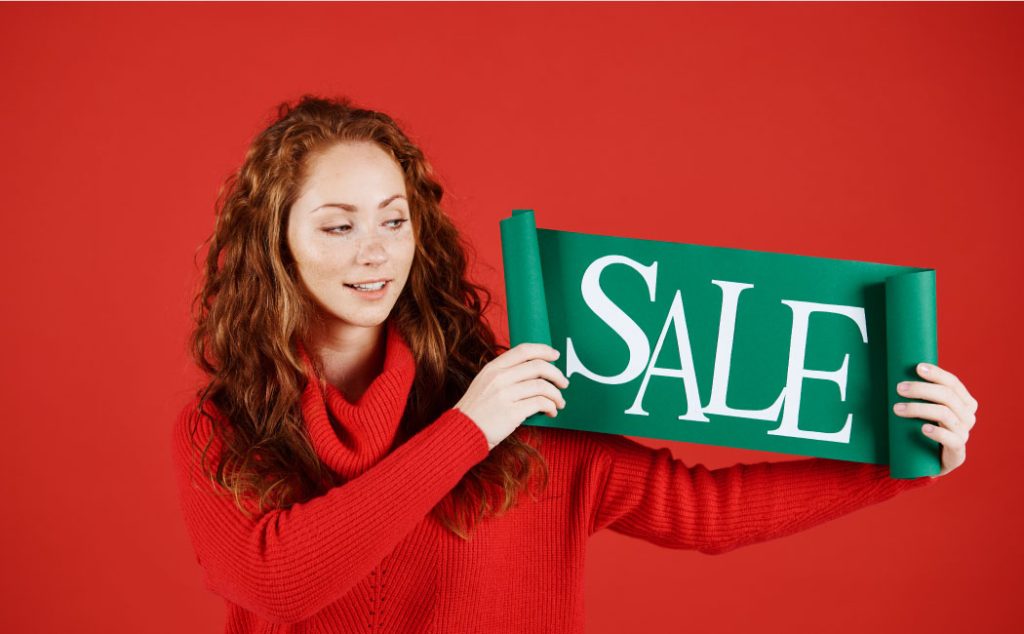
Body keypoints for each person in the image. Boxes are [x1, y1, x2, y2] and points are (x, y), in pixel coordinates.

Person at [171, 95, 978, 633]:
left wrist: (902, 462)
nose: (375, 250)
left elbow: (706, 510)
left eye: (393, 219)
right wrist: (465, 433)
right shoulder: (222, 427)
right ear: (275, 244)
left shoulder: (522, 403)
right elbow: (278, 581)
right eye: (338, 226)